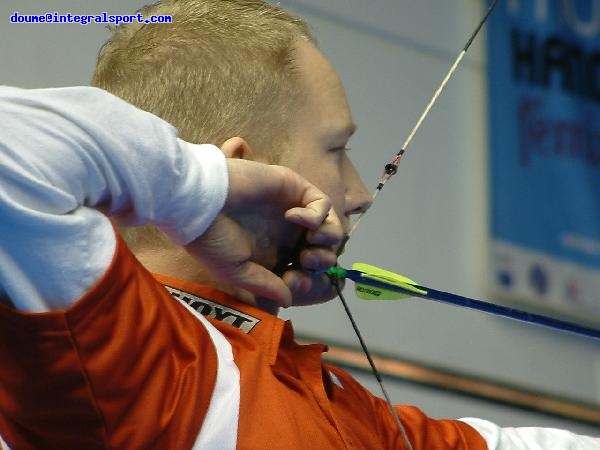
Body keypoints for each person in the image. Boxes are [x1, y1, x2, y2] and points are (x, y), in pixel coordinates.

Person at [0, 0, 598, 448]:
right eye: (337, 149)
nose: (360, 194)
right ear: (245, 174)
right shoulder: (137, 367)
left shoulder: (341, 410)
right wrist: (201, 188)